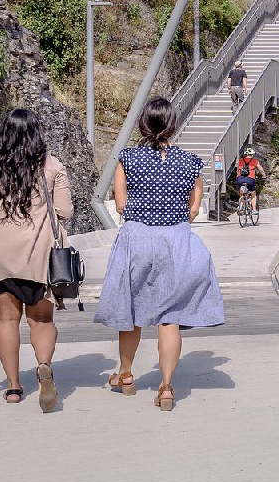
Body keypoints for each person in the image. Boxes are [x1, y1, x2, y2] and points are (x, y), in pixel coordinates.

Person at [95, 97, 225, 412]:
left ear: (143, 123)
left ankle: (126, 375)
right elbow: (194, 208)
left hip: (137, 238)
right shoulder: (190, 162)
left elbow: (122, 205)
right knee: (170, 320)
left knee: (132, 311)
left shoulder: (128, 158)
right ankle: (166, 388)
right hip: (177, 240)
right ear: (172, 125)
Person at [0, 109, 72, 412]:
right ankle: (43, 366)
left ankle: (14, 387)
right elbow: (66, 212)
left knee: (7, 319)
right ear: (36, 135)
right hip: (37, 256)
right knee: (41, 320)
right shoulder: (52, 166)